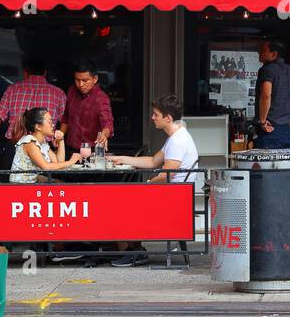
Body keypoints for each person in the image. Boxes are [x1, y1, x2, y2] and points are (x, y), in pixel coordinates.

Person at [108, 94, 200, 267]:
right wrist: (122, 158)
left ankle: (131, 251)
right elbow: (152, 161)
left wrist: (147, 185)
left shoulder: (177, 141)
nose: (152, 118)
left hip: (171, 198)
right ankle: (130, 248)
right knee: (121, 196)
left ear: (168, 118)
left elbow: (167, 175)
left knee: (117, 201)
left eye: (156, 114)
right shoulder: (177, 136)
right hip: (173, 195)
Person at [0, 55, 66, 155]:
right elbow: (65, 121)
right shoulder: (58, 93)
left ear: (25, 73)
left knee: (13, 173)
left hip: (16, 147)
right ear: (45, 73)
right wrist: (58, 139)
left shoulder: (12, 90)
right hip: (44, 149)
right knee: (42, 173)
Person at [10, 107, 82, 182]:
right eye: (49, 122)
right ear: (38, 127)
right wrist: (71, 162)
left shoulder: (42, 143)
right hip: (20, 186)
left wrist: (61, 139)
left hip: (32, 182)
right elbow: (46, 167)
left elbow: (58, 162)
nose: (53, 125)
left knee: (60, 182)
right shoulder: (30, 142)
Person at [59, 60, 113, 153]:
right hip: (69, 147)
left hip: (90, 150)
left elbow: (107, 121)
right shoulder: (72, 90)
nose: (80, 85)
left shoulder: (101, 98)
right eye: (77, 80)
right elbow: (66, 117)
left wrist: (104, 135)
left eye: (85, 80)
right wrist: (60, 135)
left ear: (95, 79)